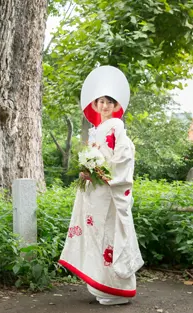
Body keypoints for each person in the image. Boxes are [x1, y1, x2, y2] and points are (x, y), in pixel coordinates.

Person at [58, 66, 144, 306]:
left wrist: (104, 173)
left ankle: (116, 288)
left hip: (108, 190)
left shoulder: (116, 127)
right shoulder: (98, 130)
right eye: (101, 101)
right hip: (97, 190)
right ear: (95, 105)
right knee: (96, 234)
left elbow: (124, 156)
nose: (105, 106)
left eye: (109, 102)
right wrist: (88, 169)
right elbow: (97, 156)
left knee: (108, 234)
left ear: (117, 106)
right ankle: (102, 284)